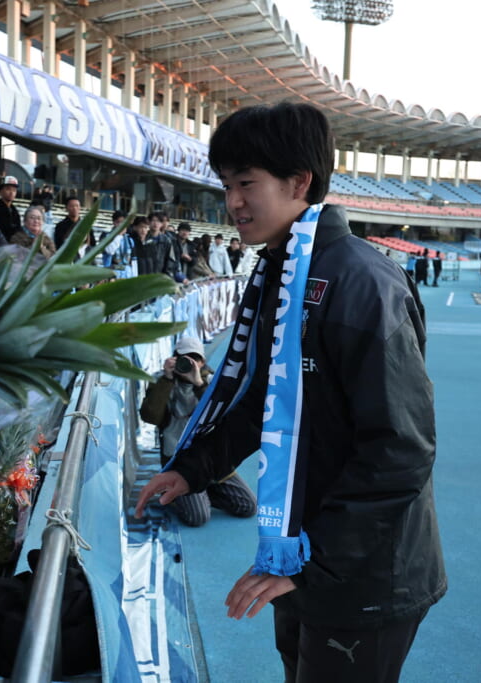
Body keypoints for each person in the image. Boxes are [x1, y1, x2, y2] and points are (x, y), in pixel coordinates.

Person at [135, 102, 445, 683]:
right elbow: (264, 399)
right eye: (226, 186)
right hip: (298, 551)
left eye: (246, 183)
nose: (232, 202)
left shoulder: (363, 284)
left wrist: (313, 559)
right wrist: (194, 468)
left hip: (361, 570)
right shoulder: (281, 270)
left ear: (299, 182)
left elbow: (401, 449)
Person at [139, 336, 256, 527]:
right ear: (174, 358)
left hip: (211, 458)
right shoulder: (162, 381)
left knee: (247, 506)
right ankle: (183, 494)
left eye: (196, 359)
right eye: (185, 358)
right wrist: (167, 379)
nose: (190, 363)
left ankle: (202, 491)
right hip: (179, 461)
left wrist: (199, 384)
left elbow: (222, 417)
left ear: (203, 362)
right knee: (198, 518)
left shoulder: (212, 381)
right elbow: (150, 416)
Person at [0, 175, 22, 241]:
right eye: (8, 189)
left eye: (14, 190)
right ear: (0, 191)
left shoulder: (14, 211)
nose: (12, 192)